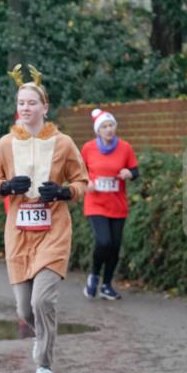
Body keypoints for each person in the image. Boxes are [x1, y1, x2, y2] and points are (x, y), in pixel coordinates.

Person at [0, 65, 88, 373]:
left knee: (43, 301)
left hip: (53, 231)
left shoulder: (63, 143)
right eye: (21, 103)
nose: (25, 108)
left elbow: (82, 181)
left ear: (45, 107)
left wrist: (64, 192)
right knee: (24, 309)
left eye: (31, 102)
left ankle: (44, 367)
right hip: (18, 234)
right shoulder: (5, 144)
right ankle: (41, 336)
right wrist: (4, 187)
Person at [81, 108, 139, 300]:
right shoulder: (88, 148)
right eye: (104, 126)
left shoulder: (125, 147)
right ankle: (94, 276)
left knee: (114, 246)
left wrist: (129, 173)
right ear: (98, 131)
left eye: (111, 125)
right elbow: (78, 171)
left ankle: (106, 285)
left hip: (117, 205)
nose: (109, 129)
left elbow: (135, 171)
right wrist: (86, 182)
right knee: (103, 241)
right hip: (95, 203)